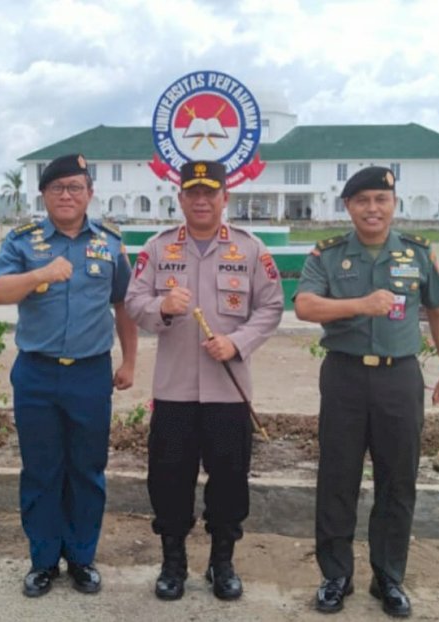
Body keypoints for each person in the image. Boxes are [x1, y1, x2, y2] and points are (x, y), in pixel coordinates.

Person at [294, 166, 439, 618]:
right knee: (337, 477)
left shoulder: (417, 253)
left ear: (393, 204)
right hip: (344, 376)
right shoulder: (327, 255)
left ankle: (388, 577)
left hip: (399, 379)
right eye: (362, 200)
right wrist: (360, 305)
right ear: (348, 206)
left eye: (380, 200)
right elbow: (305, 305)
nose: (372, 208)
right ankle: (336, 576)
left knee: (398, 480)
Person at [124, 160, 284, 602]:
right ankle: (173, 562)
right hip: (173, 389)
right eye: (191, 193)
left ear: (224, 198)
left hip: (227, 389)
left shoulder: (250, 250)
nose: (200, 200)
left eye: (209, 193)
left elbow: (271, 307)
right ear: (180, 199)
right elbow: (134, 301)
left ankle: (222, 562)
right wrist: (164, 307)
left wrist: (238, 342)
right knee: (169, 477)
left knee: (230, 478)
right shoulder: (157, 249)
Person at [0, 154, 137, 598]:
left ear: (90, 193)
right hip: (36, 373)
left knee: (88, 469)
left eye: (75, 187)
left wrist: (129, 361)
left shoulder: (109, 242)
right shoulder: (23, 242)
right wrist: (40, 274)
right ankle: (43, 561)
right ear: (44, 195)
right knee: (41, 469)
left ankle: (82, 558)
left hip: (91, 374)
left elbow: (124, 304)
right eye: (58, 188)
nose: (67, 195)